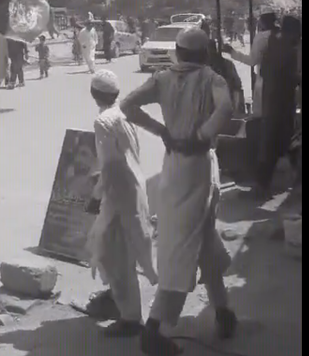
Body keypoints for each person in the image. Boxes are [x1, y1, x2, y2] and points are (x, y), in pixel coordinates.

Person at [119, 27, 237, 355]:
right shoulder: (212, 79)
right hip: (198, 166)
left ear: (178, 51)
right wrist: (202, 134)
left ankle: (223, 310)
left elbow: (128, 105)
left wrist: (162, 131)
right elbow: (226, 109)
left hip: (173, 165)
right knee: (184, 246)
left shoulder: (162, 79)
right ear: (204, 54)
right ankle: (154, 329)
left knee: (200, 239)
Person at [85, 70, 159, 338]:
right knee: (120, 253)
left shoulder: (102, 121)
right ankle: (126, 308)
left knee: (114, 258)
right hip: (132, 189)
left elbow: (110, 165)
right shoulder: (123, 115)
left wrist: (97, 196)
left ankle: (130, 318)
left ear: (94, 95)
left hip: (118, 194)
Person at [254, 15, 301, 200]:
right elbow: (294, 77)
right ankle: (291, 184)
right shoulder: (290, 48)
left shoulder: (273, 44)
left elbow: (264, 71)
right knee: (286, 141)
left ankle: (262, 186)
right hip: (282, 102)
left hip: (271, 100)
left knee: (272, 143)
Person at [223, 12, 276, 118]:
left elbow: (252, 61)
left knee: (261, 114)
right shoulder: (280, 34)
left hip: (265, 81)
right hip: (283, 81)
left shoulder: (261, 38)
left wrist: (232, 52)